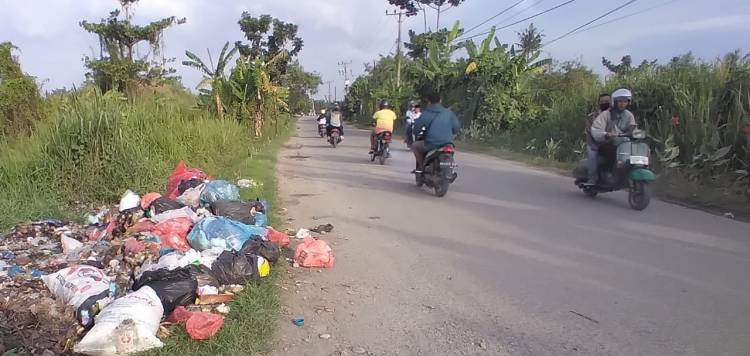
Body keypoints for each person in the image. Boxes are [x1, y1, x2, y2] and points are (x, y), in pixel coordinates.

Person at [588, 88, 637, 184]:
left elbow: (632, 128)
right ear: (614, 102)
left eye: (625, 101)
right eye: (620, 101)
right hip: (606, 142)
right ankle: (607, 173)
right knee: (611, 150)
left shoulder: (629, 115)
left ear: (628, 102)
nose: (622, 104)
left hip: (623, 143)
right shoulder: (606, 115)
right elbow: (596, 129)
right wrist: (606, 134)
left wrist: (634, 133)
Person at [411, 90, 460, 173]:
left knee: (415, 146)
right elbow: (456, 128)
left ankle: (422, 166)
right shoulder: (449, 113)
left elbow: (416, 128)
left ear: (429, 101)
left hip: (431, 144)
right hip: (447, 143)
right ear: (440, 100)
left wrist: (416, 135)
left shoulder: (426, 113)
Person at [583, 93, 612, 184]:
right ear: (598, 103)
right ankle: (592, 177)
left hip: (612, 143)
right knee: (592, 153)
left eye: (607, 101)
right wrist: (595, 144)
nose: (605, 103)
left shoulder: (616, 115)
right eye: (602, 102)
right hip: (595, 143)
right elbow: (589, 132)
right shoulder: (592, 116)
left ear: (611, 102)